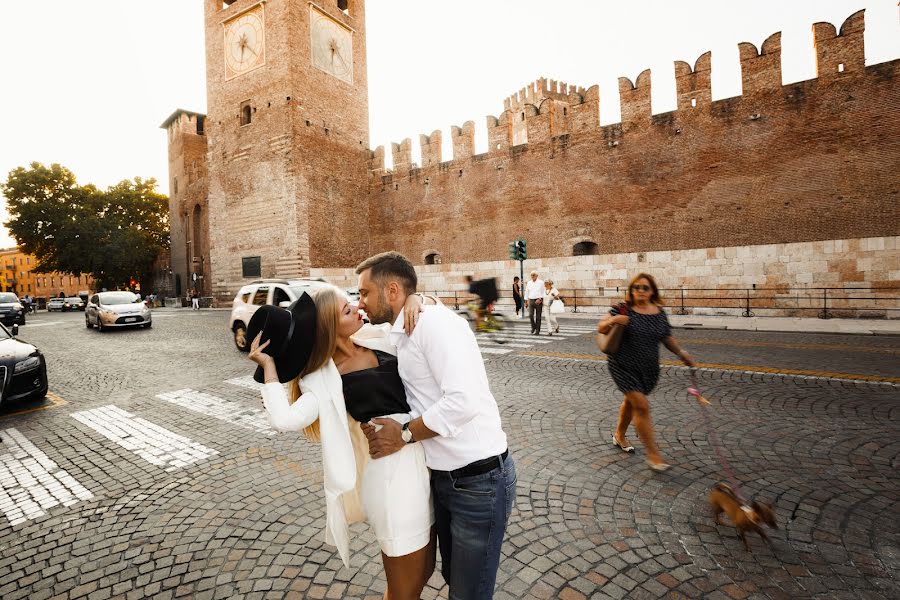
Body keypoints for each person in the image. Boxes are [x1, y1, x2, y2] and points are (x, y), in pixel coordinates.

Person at [248, 287, 438, 599]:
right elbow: (284, 420)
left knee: (424, 570)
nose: (356, 308)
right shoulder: (322, 380)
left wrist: (417, 299)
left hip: (423, 467)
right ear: (329, 327)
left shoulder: (375, 338)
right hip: (392, 481)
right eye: (346, 310)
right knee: (405, 589)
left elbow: (421, 315)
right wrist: (268, 368)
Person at [356, 251, 516, 599]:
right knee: (453, 578)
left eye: (365, 293)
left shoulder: (435, 324)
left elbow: (464, 402)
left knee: (468, 593)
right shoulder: (400, 329)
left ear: (393, 290)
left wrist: (405, 434)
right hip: (444, 479)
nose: (361, 301)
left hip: (479, 479)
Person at [596, 273, 695, 471]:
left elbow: (667, 338)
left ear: (652, 291)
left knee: (631, 402)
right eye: (636, 288)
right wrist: (615, 320)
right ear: (631, 290)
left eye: (645, 288)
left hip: (648, 369)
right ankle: (653, 455)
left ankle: (619, 435)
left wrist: (682, 354)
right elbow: (601, 326)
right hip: (622, 366)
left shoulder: (659, 312)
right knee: (641, 405)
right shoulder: (622, 308)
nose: (640, 291)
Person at [524, 270, 544, 335]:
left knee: (538, 317)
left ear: (537, 276)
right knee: (530, 315)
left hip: (538, 301)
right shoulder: (529, 283)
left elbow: (543, 291)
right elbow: (527, 292)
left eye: (533, 275)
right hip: (531, 300)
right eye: (531, 275)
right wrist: (526, 301)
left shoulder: (541, 282)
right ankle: (533, 327)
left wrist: (540, 299)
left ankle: (537, 330)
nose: (532, 276)